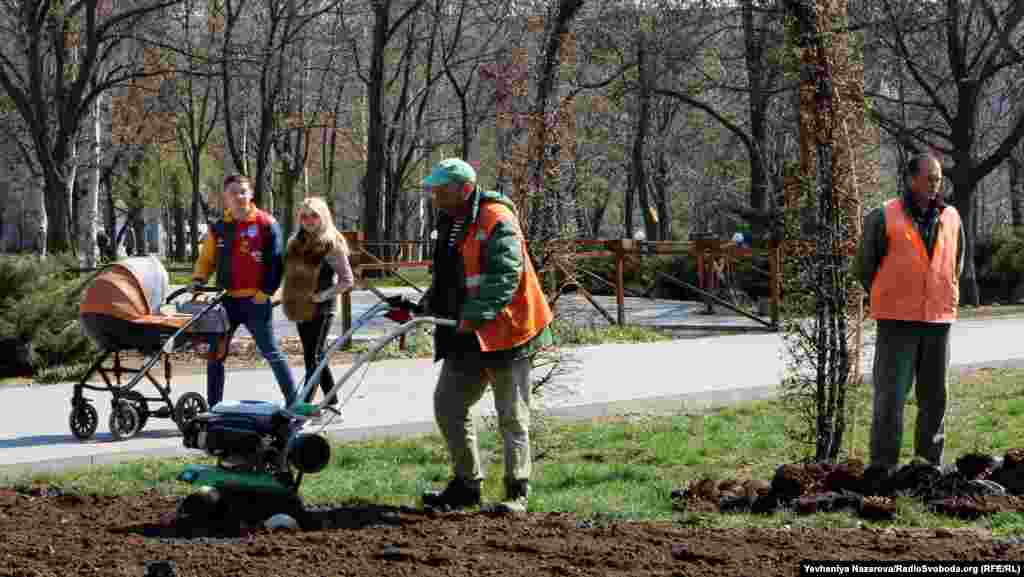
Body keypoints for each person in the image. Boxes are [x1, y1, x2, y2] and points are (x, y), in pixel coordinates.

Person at [416, 158, 554, 514]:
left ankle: (516, 492)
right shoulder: (449, 221)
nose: (434, 196)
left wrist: (473, 315)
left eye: (440, 189)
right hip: (466, 334)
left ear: (463, 189)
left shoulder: (497, 218)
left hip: (506, 331)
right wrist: (425, 305)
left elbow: (505, 276)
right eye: (432, 189)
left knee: (512, 416)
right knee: (449, 405)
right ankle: (466, 485)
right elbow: (448, 276)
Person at [854, 153, 965, 469]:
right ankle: (883, 469)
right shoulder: (883, 216)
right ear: (910, 179)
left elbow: (956, 264)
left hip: (937, 322)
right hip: (896, 323)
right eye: (930, 178)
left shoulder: (952, 217)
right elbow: (864, 268)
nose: (935, 185)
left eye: (939, 178)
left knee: (935, 400)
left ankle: (927, 468)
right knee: (890, 400)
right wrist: (890, 294)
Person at [190, 174, 297, 408]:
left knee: (271, 352)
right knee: (215, 356)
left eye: (243, 192)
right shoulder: (218, 228)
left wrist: (265, 293)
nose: (238, 197)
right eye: (233, 193)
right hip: (224, 303)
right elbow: (206, 260)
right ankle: (214, 407)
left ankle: (294, 402)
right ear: (225, 198)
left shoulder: (266, 224)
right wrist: (198, 279)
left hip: (256, 301)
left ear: (250, 195)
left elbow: (277, 263)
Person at [281, 197, 355, 414]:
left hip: (323, 308)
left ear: (323, 217)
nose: (309, 220)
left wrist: (322, 296)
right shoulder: (295, 241)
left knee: (314, 356)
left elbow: (347, 280)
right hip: (300, 307)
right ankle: (333, 403)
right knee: (314, 356)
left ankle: (303, 404)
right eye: (304, 216)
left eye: (314, 215)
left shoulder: (331, 243)